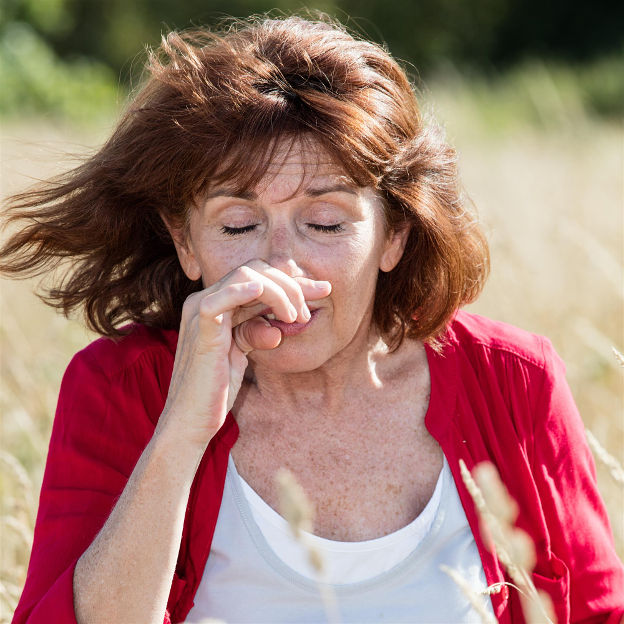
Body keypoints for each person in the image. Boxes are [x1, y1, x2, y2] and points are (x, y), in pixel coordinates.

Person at [3, 14, 623, 624]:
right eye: (237, 226)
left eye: (325, 223)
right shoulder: (118, 388)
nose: (279, 264)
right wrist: (181, 432)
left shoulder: (516, 381)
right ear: (185, 242)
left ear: (394, 236)